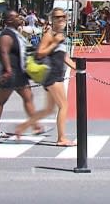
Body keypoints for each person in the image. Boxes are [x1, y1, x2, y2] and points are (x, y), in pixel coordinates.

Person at [15, 8, 76, 146]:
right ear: (52, 19)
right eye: (57, 17)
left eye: (63, 17)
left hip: (55, 74)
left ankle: (22, 128)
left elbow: (63, 55)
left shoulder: (59, 34)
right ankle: (61, 138)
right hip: (52, 75)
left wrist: (77, 68)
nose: (61, 19)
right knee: (63, 106)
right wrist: (54, 42)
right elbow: (40, 53)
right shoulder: (50, 35)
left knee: (49, 109)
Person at [0, 10, 42, 138]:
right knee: (0, 101)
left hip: (19, 73)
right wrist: (7, 70)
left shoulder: (15, 33)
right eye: (16, 17)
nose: (20, 18)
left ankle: (36, 125)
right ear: (9, 21)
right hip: (10, 73)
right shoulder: (6, 35)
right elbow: (4, 52)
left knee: (28, 97)